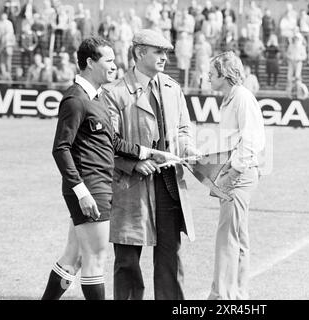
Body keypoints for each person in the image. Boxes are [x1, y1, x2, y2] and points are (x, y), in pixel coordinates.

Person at [41, 36, 149, 300]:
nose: (114, 65)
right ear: (90, 62)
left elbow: (109, 141)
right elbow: (61, 148)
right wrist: (82, 192)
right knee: (94, 259)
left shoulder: (98, 97)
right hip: (90, 188)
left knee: (74, 257)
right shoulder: (75, 100)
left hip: (96, 185)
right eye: (108, 60)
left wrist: (146, 152)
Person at [102, 29, 199, 300]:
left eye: (166, 52)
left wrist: (187, 147)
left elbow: (182, 129)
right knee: (127, 261)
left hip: (169, 183)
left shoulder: (171, 87)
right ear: (139, 53)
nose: (164, 57)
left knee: (170, 257)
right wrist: (132, 165)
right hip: (130, 187)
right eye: (158, 52)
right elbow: (106, 143)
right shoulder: (115, 93)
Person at [207, 51, 265, 300]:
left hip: (240, 175)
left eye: (212, 74)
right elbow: (232, 139)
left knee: (227, 236)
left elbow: (251, 140)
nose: (208, 77)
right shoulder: (231, 98)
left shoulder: (242, 97)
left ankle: (223, 296)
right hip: (235, 171)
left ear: (224, 74)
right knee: (237, 236)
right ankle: (236, 293)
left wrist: (232, 173)